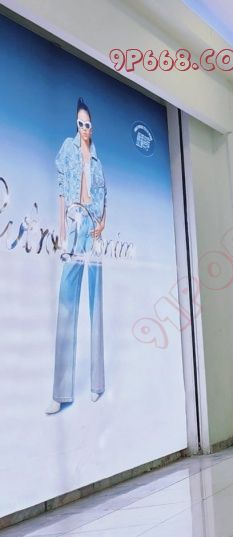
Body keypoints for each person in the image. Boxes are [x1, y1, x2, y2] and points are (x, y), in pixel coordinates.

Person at [46, 97, 107, 414]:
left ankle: (97, 384)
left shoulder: (97, 161)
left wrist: (103, 224)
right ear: (76, 124)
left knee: (96, 302)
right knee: (67, 302)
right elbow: (60, 188)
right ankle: (61, 392)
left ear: (92, 127)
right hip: (74, 225)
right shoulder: (68, 150)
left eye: (88, 124)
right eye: (81, 123)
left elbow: (104, 195)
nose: (84, 128)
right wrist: (61, 228)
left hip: (94, 230)